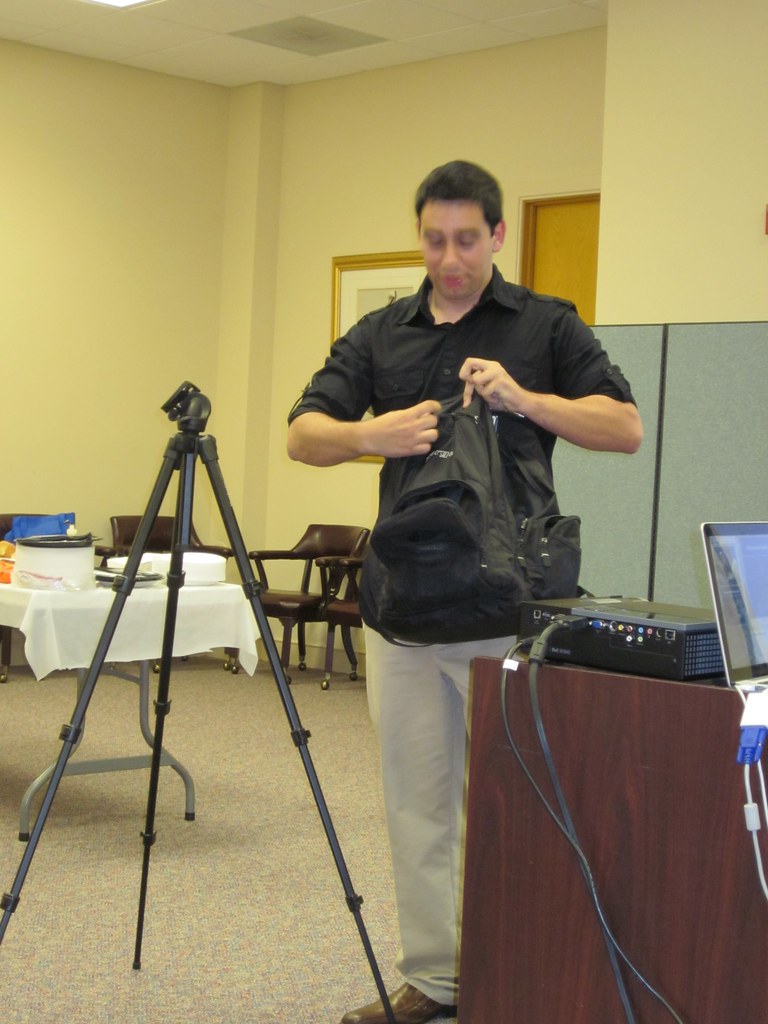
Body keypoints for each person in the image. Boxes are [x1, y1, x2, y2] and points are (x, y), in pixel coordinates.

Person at [287, 160, 643, 1024]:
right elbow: (303, 435)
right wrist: (369, 432)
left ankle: (519, 968)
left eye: (466, 240)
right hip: (404, 610)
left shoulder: (545, 325)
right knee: (416, 802)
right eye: (434, 240)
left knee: (513, 802)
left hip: (505, 613)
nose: (449, 259)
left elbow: (624, 428)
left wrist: (528, 400)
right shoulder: (381, 333)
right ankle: (437, 981)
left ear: (497, 235)